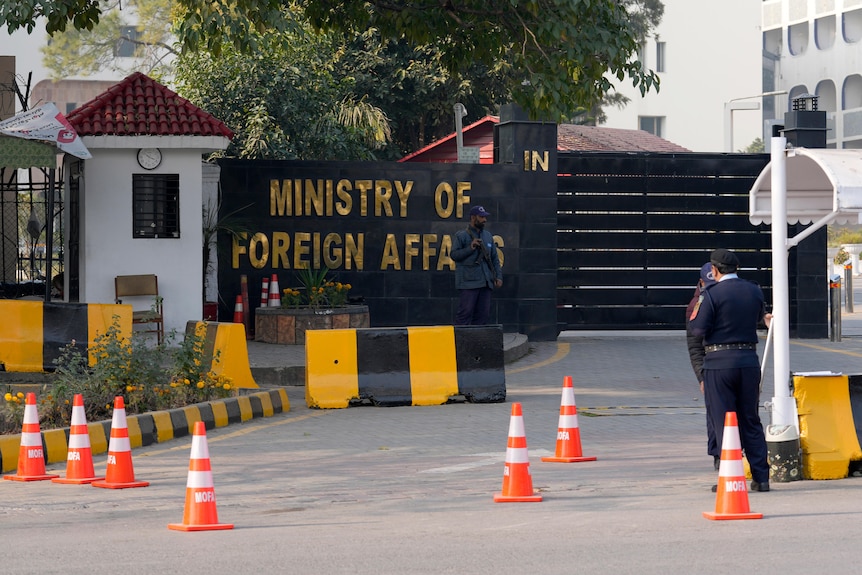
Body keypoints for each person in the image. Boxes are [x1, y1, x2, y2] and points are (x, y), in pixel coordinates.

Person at [689, 248, 772, 493]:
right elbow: (760, 317)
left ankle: (730, 477)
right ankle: (761, 477)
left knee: (724, 421)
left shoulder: (711, 294)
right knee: (750, 418)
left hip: (718, 363)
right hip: (748, 360)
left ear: (714, 271)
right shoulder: (753, 290)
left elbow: (698, 329)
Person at [686, 263, 719, 470]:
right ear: (700, 283)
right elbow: (694, 347)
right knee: (714, 414)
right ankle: (717, 455)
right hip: (711, 365)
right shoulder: (695, 307)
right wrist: (701, 377)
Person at [451, 205, 503, 325]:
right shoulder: (462, 235)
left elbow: (495, 258)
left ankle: (477, 343)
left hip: (486, 282)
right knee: (465, 314)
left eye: (485, 217)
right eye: (481, 217)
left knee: (483, 316)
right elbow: (454, 255)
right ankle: (461, 342)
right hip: (469, 282)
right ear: (473, 217)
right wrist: (470, 248)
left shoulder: (488, 236)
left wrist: (498, 277)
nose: (484, 220)